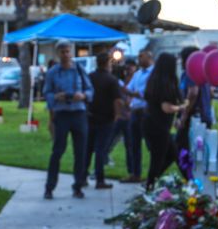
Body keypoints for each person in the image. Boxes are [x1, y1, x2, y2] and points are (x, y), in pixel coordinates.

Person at [42, 39, 93, 199]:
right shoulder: (53, 72)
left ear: (72, 52)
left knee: (80, 152)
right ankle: (49, 187)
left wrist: (83, 96)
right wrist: (56, 97)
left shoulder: (79, 69)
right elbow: (46, 93)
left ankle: (78, 185)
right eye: (62, 52)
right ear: (58, 54)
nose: (65, 54)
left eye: (68, 51)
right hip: (62, 114)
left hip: (78, 113)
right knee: (58, 151)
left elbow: (90, 90)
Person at [143, 53, 187, 190]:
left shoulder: (154, 80)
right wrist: (183, 106)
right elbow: (166, 108)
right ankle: (150, 185)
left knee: (171, 154)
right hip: (158, 126)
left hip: (153, 124)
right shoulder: (164, 84)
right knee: (159, 158)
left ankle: (152, 182)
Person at [86, 51, 119, 189]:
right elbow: (116, 100)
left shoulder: (90, 77)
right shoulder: (111, 80)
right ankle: (100, 180)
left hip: (90, 117)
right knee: (101, 150)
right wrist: (116, 116)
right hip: (106, 118)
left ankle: (82, 177)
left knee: (87, 149)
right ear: (107, 63)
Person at [122, 49, 153, 183]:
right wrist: (133, 94)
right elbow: (129, 89)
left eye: (141, 56)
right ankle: (136, 173)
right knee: (133, 144)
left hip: (147, 112)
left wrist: (135, 94)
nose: (138, 59)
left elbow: (146, 93)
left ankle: (154, 174)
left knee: (150, 144)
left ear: (149, 57)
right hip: (135, 111)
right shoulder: (138, 74)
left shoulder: (154, 73)